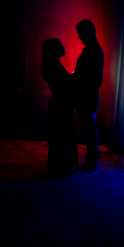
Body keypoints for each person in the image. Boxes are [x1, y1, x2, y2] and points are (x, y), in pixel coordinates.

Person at [41, 38, 78, 177]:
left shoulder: (52, 65)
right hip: (61, 104)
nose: (64, 47)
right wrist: (74, 77)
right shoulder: (54, 66)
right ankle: (63, 168)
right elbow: (62, 84)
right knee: (62, 134)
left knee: (60, 135)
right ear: (54, 49)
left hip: (59, 103)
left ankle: (60, 168)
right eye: (60, 45)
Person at [72, 19, 104, 176]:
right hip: (88, 94)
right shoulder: (92, 51)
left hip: (87, 95)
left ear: (88, 33)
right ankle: (92, 162)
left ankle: (92, 163)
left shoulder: (92, 53)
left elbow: (94, 78)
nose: (79, 37)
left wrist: (81, 88)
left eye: (80, 33)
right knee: (89, 129)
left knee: (89, 129)